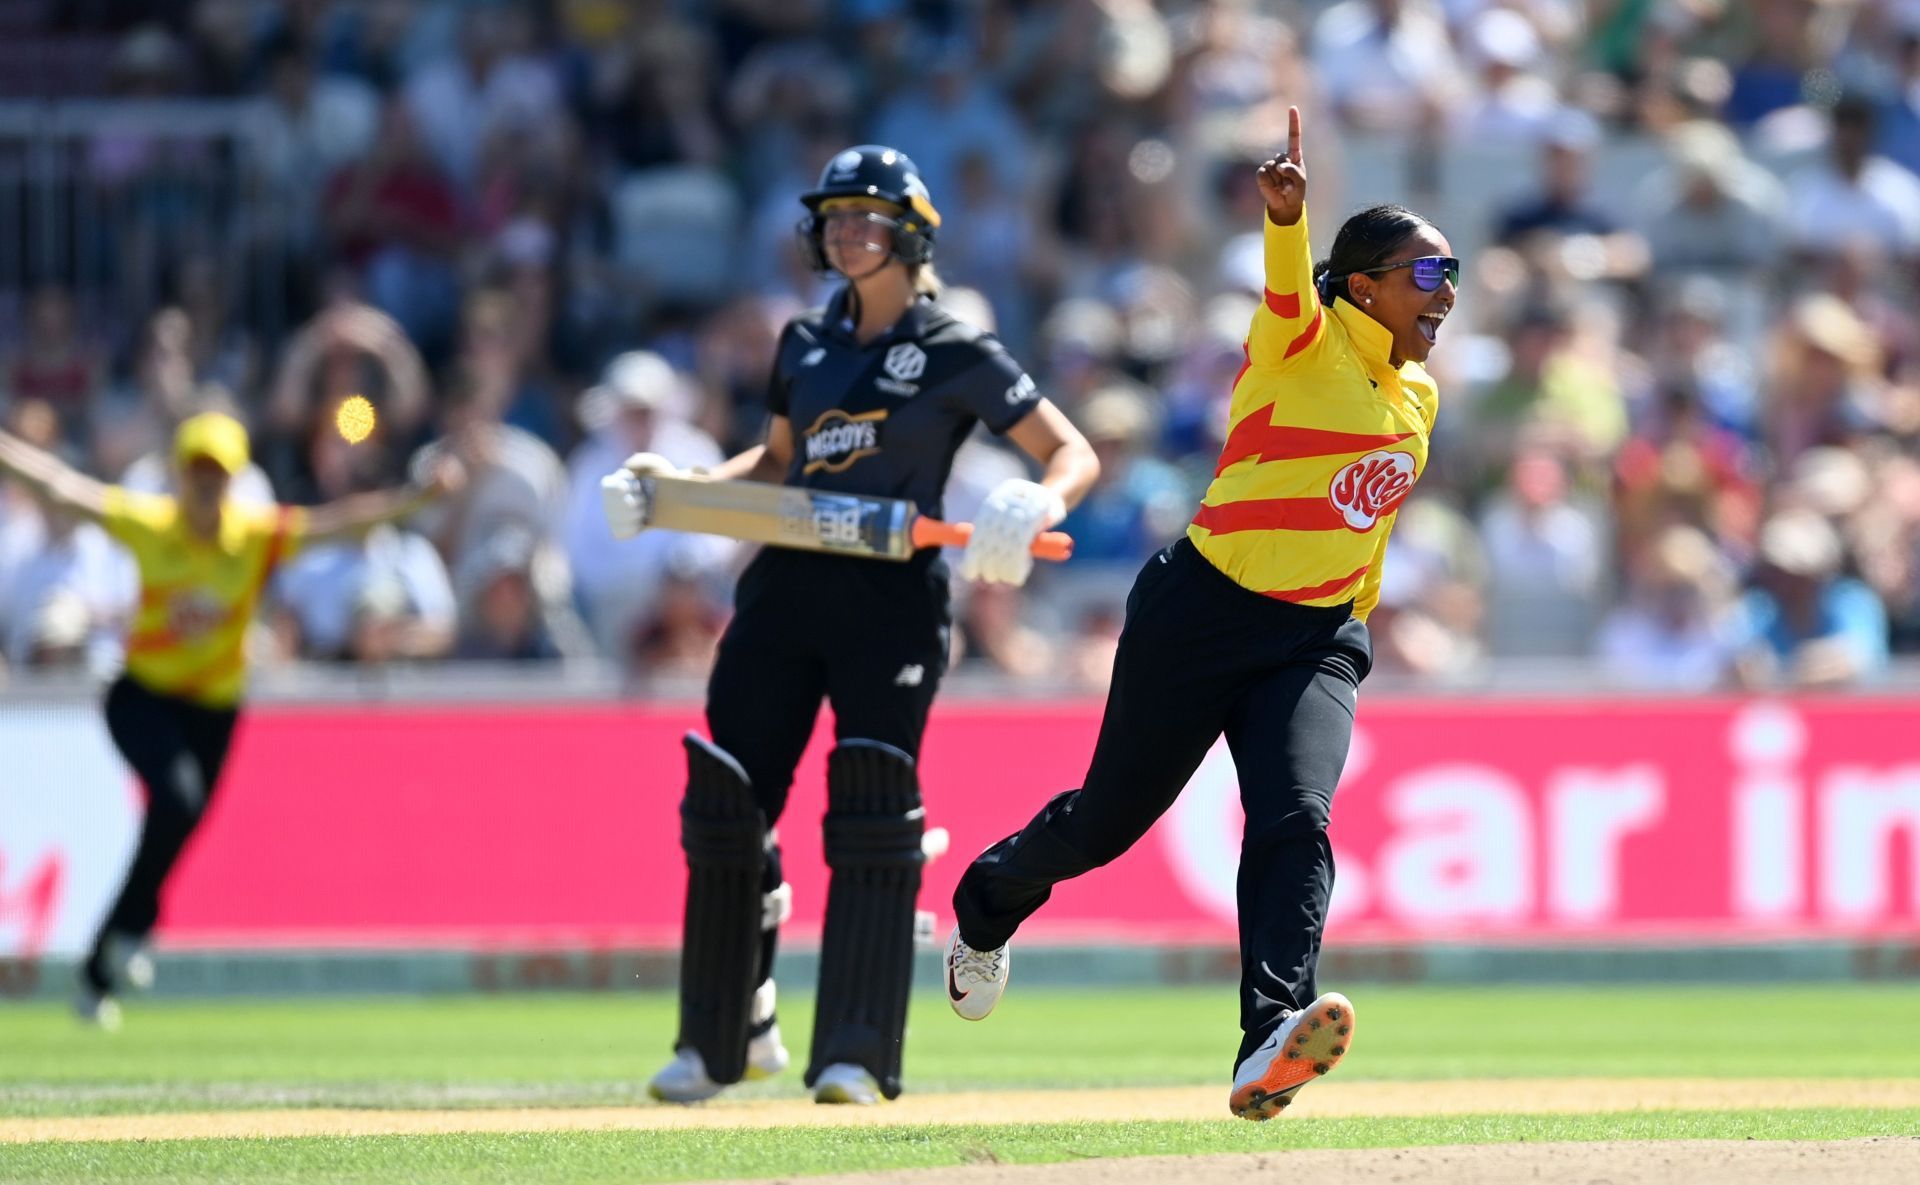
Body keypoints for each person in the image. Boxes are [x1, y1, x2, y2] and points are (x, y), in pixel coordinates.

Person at [944, 107, 1455, 1122]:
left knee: (1296, 818)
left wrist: (1353, 623)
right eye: (1429, 275)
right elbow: (1283, 286)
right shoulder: (1301, 341)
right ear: (1363, 285)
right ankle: (986, 905)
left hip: (1314, 638)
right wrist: (1285, 220)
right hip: (1203, 610)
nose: (1447, 296)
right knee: (1105, 825)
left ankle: (1271, 1032)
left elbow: (1371, 529)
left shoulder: (1420, 398)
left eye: (1453, 276)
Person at [602, 145, 1099, 1106]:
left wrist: (1039, 502)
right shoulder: (802, 342)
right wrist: (675, 492)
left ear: (911, 232)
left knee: (874, 811)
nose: (845, 232)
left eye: (866, 216)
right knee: (725, 799)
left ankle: (857, 1051)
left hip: (892, 598)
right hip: (787, 587)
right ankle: (723, 1035)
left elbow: (1067, 448)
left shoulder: (955, 347)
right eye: (834, 217)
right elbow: (777, 464)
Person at [0, 413, 461, 1029]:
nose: (208, 488)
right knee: (177, 802)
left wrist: (417, 499)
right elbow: (60, 487)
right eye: (197, 474)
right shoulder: (151, 525)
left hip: (215, 709)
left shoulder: (254, 536)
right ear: (180, 477)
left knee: (178, 823)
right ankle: (132, 932)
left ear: (234, 478)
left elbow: (339, 524)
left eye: (218, 475)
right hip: (143, 695)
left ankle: (106, 963)